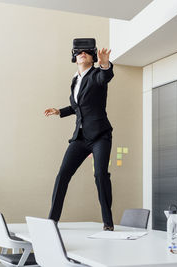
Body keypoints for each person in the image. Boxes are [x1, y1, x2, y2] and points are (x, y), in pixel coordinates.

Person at [44, 39, 115, 231]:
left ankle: (108, 222)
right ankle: (52, 220)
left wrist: (105, 64)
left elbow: (105, 77)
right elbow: (78, 106)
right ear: (75, 58)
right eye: (79, 52)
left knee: (100, 175)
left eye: (86, 52)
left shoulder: (96, 75)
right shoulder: (75, 80)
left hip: (100, 135)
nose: (82, 53)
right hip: (80, 137)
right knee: (62, 175)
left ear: (92, 58)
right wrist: (60, 111)